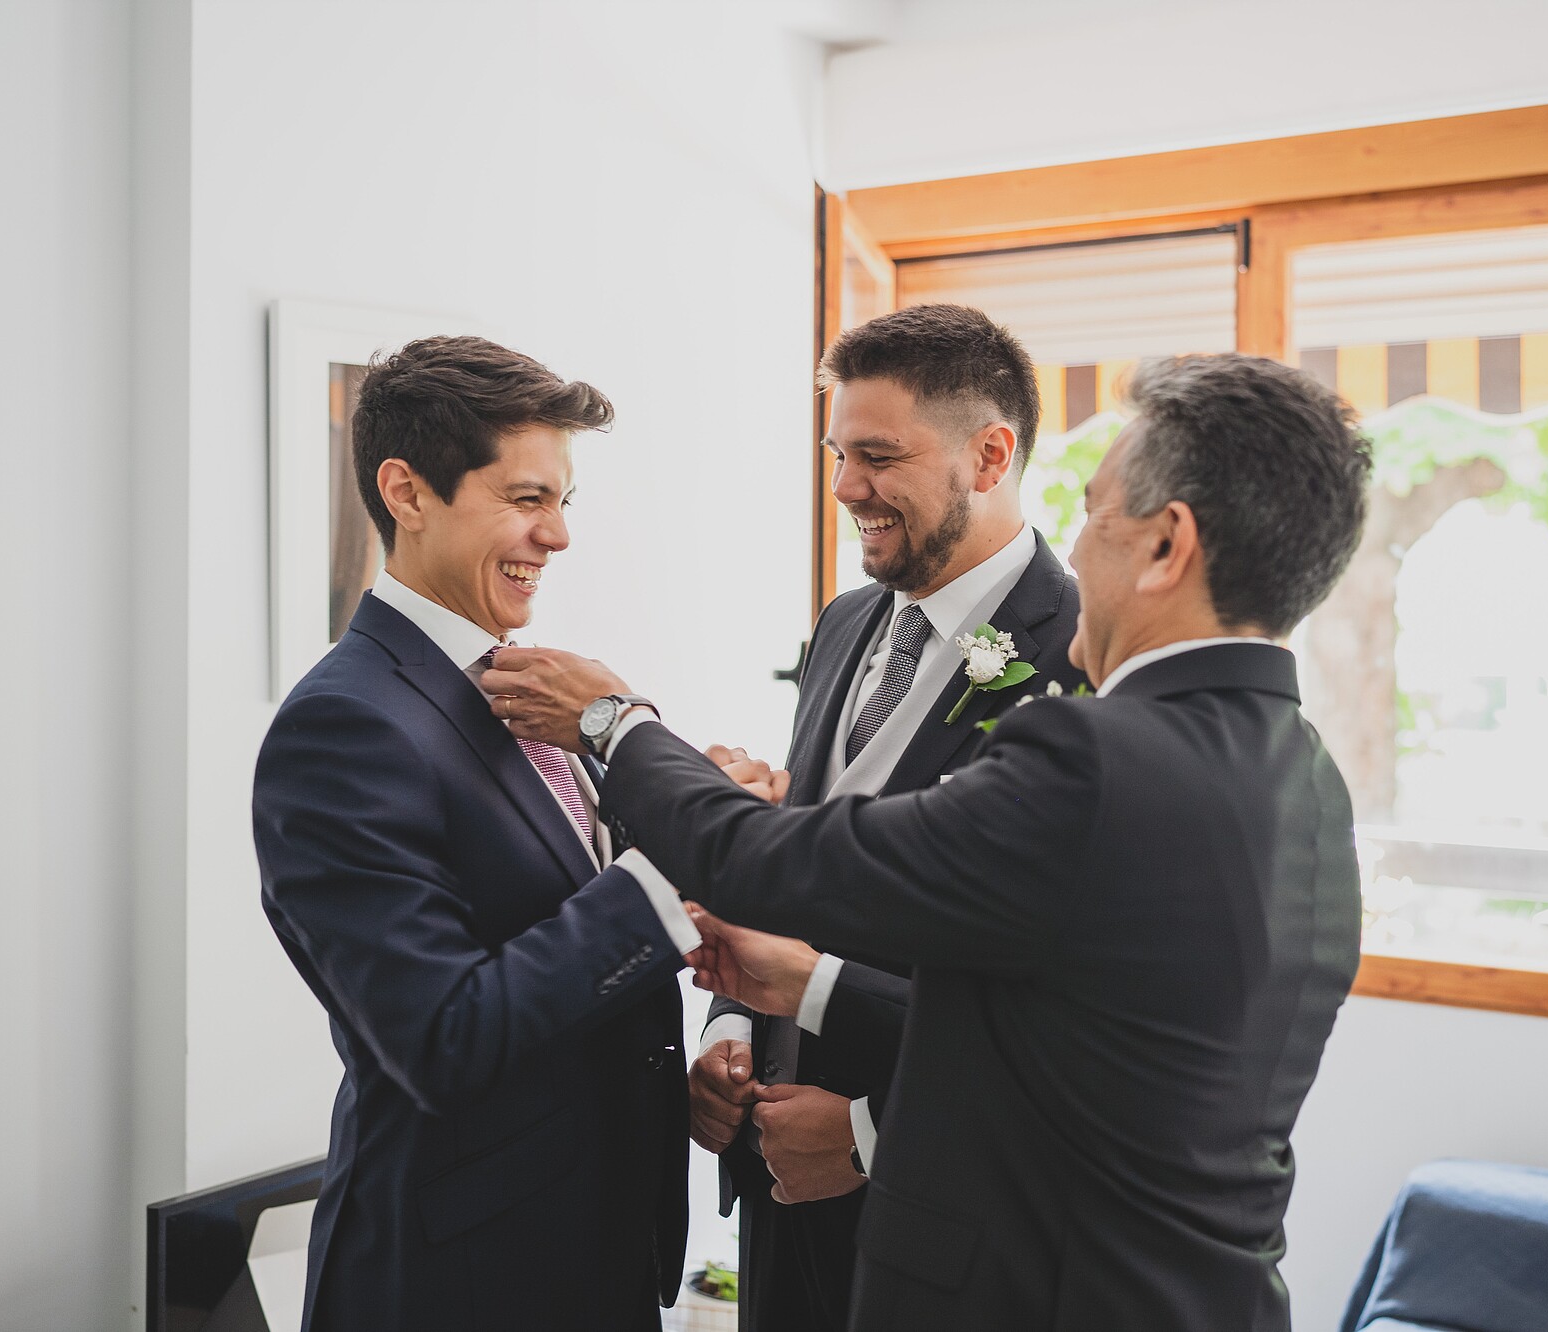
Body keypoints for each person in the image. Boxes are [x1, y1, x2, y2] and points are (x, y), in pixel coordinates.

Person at [483, 351, 1374, 1332]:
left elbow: (777, 863)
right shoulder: (1307, 776)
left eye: (1094, 514)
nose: (1076, 551)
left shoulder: (1094, 755)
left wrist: (615, 723)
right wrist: (787, 991)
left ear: (1167, 546)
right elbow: (1065, 1043)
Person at [252, 336, 701, 1332]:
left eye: (562, 502)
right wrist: (661, 884)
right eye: (525, 498)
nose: (558, 536)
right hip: (457, 1279)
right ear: (406, 493)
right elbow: (442, 1036)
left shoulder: (531, 689)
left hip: (594, 1248)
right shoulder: (346, 726)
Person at [685, 304, 1086, 1332]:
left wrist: (865, 1129)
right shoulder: (844, 621)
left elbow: (1053, 997)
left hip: (942, 1213)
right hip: (774, 1177)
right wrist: (733, 1023)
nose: (843, 488)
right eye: (835, 453)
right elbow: (795, 866)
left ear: (988, 455)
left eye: (875, 455)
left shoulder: (1080, 657)